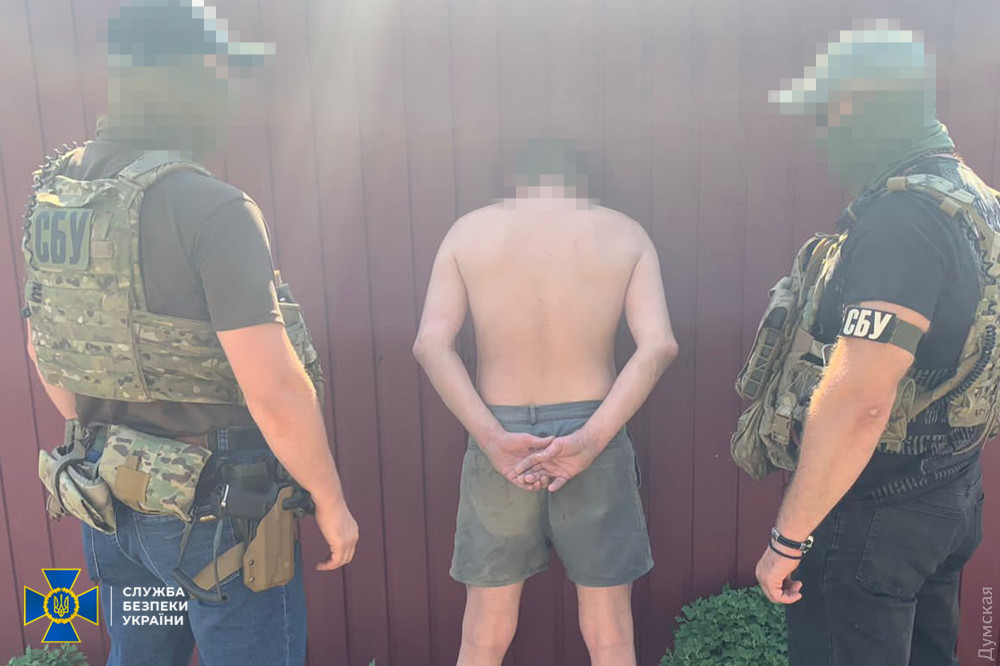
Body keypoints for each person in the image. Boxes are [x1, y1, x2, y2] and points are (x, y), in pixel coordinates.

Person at [22, 1, 358, 664]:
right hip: (219, 514)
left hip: (110, 494)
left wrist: (112, 427)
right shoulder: (211, 207)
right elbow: (274, 388)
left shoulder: (56, 195)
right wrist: (329, 498)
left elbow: (44, 348)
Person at [742, 19, 1000, 665]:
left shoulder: (904, 218)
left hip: (875, 510)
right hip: (949, 491)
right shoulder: (977, 202)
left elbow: (861, 397)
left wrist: (788, 540)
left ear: (859, 104)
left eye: (826, 114)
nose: (822, 134)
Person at [413, 139, 679, 666]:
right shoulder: (625, 233)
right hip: (593, 433)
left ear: (516, 184)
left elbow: (430, 345)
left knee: (483, 632)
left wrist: (492, 439)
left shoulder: (468, 232)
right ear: (581, 184)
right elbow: (659, 345)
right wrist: (590, 441)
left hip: (501, 437)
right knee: (610, 634)